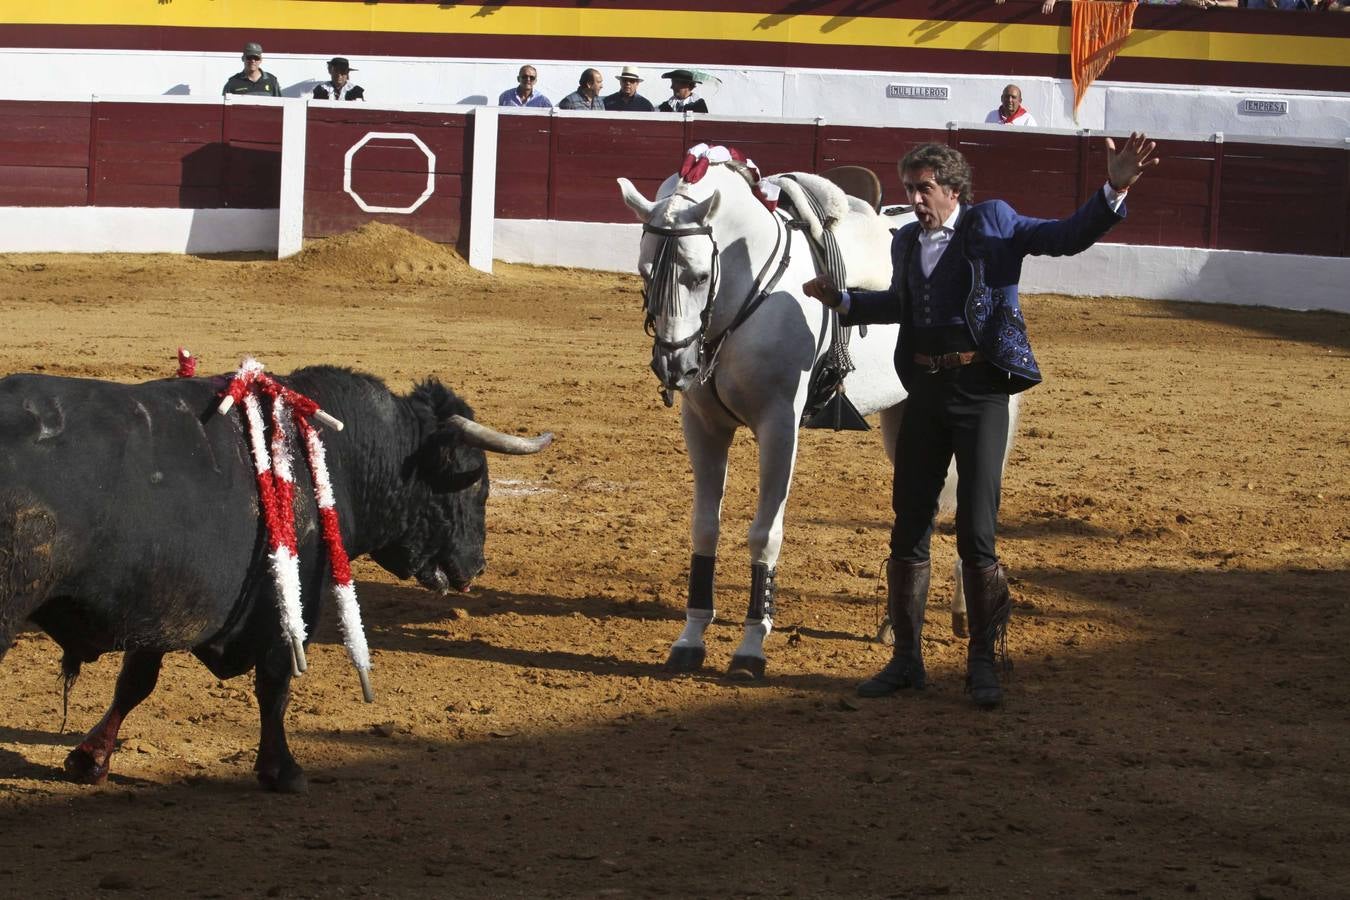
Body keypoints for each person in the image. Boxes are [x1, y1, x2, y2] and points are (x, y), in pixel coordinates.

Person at [802, 134, 1159, 709]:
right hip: (921, 389)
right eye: (909, 189)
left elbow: (1064, 238)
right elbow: (902, 303)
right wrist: (843, 302)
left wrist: (1114, 188)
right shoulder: (905, 242)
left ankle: (983, 665)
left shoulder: (992, 223)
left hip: (981, 390)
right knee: (909, 520)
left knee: (977, 528)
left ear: (953, 189)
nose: (915, 199)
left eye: (924, 189)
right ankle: (906, 661)